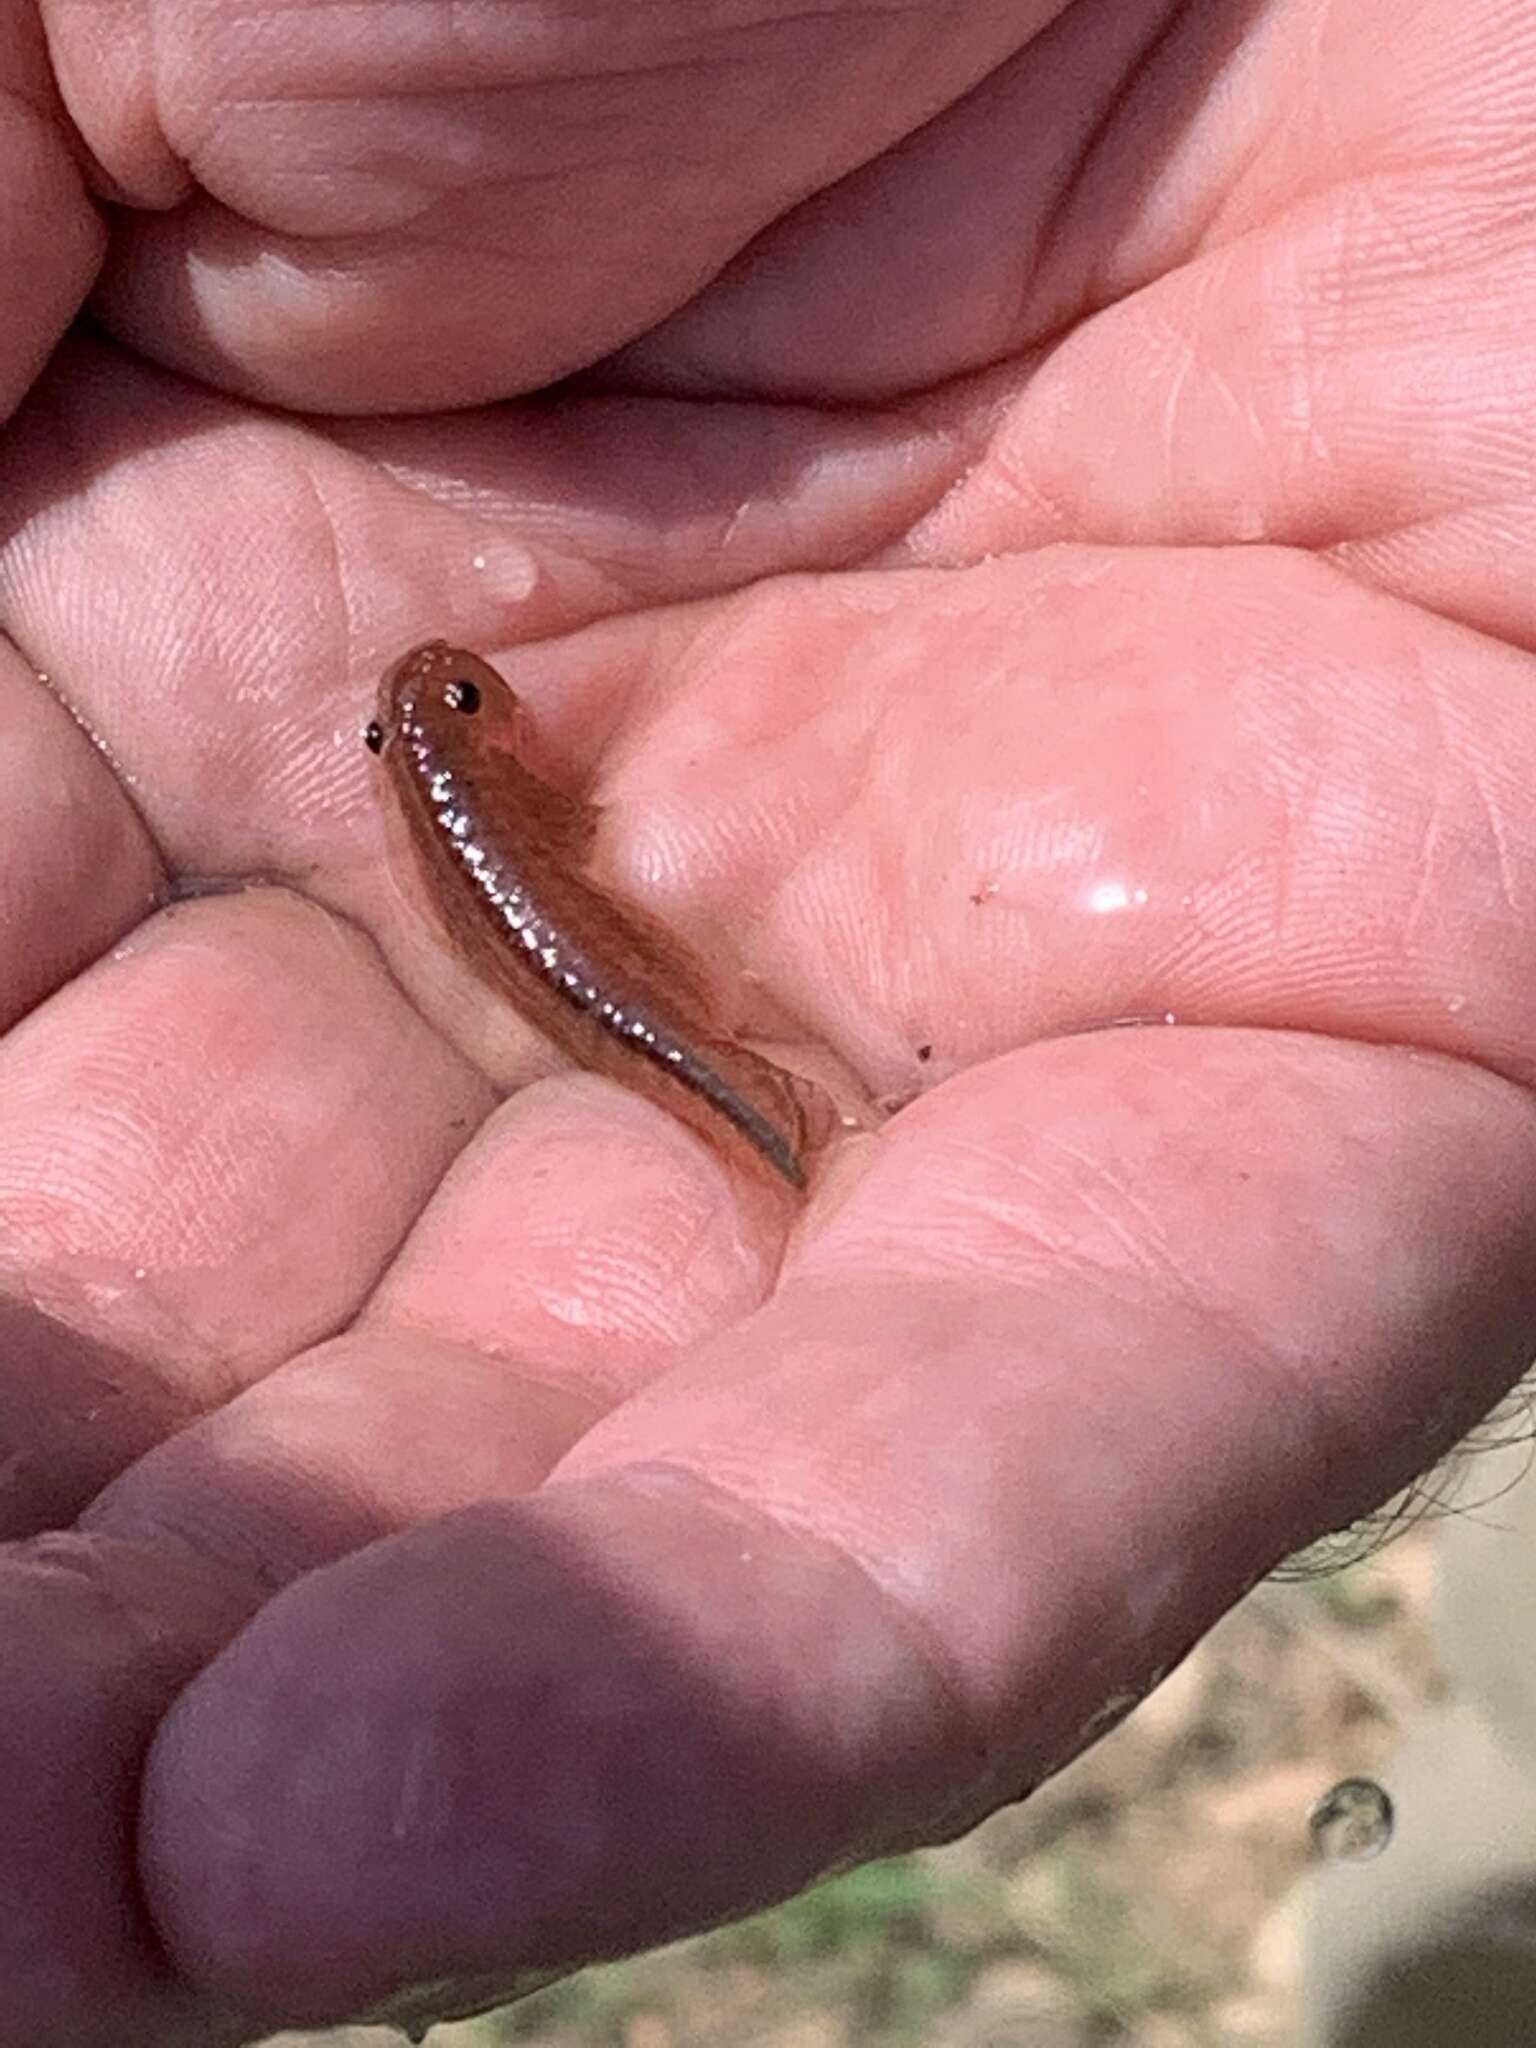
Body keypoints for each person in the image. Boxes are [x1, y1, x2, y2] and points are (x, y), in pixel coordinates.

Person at [1, 2, 1534, 2040]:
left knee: (642, 1005)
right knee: (648, 1011)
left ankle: (761, 1126)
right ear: (441, 749)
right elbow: (553, 848)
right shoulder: (491, 793)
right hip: (615, 983)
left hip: (609, 975)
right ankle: (761, 1131)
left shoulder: (475, 779)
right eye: (432, 718)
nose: (455, 711)